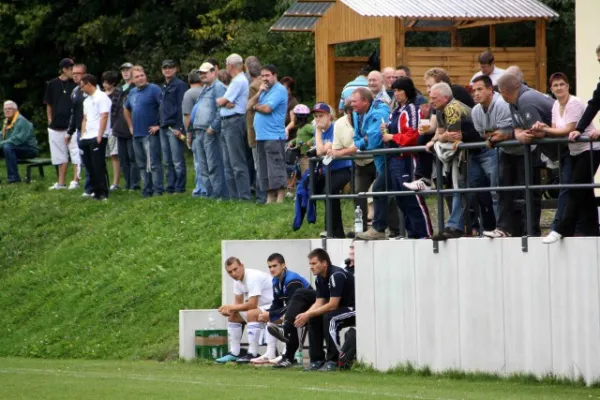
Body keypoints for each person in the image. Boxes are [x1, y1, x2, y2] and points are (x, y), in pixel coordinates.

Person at [357, 77, 433, 240]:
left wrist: (392, 136)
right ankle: (392, 231)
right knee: (395, 196)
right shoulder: (397, 111)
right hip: (393, 159)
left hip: (406, 158)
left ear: (407, 91)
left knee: (411, 197)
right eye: (395, 91)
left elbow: (413, 135)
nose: (396, 94)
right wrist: (387, 129)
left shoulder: (412, 109)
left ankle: (424, 234)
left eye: (399, 91)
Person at [483, 73, 551, 237]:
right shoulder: (515, 102)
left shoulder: (525, 100)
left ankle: (531, 232)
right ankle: (505, 229)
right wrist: (517, 134)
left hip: (553, 150)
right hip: (530, 151)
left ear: (504, 91)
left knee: (531, 192)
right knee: (505, 189)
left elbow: (538, 132)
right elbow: (518, 127)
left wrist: (517, 135)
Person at [420, 82, 489, 241]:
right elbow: (443, 134)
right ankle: (457, 226)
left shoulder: (451, 108)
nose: (430, 101)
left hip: (483, 150)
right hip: (470, 153)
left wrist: (439, 139)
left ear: (445, 98)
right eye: (430, 97)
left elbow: (453, 135)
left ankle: (474, 227)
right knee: (462, 187)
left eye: (434, 98)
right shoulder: (439, 109)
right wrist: (437, 139)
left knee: (482, 190)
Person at [538, 73, 600, 243]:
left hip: (589, 149)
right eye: (555, 85)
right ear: (551, 89)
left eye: (562, 84)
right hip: (574, 152)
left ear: (568, 86)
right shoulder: (555, 105)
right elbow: (555, 129)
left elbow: (568, 129)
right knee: (584, 191)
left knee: (575, 187)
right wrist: (543, 130)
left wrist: (544, 130)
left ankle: (561, 229)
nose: (559, 88)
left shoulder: (574, 103)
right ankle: (592, 229)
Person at [404, 67, 475, 192]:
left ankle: (425, 179)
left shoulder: (452, 97)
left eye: (430, 86)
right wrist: (433, 138)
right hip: (460, 144)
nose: (428, 90)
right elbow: (438, 128)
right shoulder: (438, 103)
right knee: (424, 138)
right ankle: (425, 179)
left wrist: (438, 138)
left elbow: (452, 133)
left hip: (472, 144)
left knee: (467, 190)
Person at [299, 248, 355, 372]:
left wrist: (308, 314)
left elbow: (333, 305)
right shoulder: (319, 278)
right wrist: (306, 314)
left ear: (324, 263)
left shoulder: (336, 275)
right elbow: (320, 302)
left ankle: (333, 360)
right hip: (339, 309)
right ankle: (317, 359)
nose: (311, 267)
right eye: (310, 264)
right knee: (313, 317)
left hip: (353, 309)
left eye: (314, 264)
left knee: (330, 318)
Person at [255, 253, 311, 367]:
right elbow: (277, 303)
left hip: (310, 308)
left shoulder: (292, 280)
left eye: (274, 266)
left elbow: (293, 305)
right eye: (269, 267)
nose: (271, 269)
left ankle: (288, 354)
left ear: (283, 265)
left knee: (289, 317)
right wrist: (268, 314)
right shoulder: (275, 281)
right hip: (296, 310)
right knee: (271, 319)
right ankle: (271, 353)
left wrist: (270, 314)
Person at [216, 257, 275, 364]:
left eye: (235, 269)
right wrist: (228, 311)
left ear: (242, 266)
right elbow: (238, 305)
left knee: (251, 313)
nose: (233, 273)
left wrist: (230, 307)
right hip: (261, 307)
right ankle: (235, 353)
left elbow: (252, 304)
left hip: (274, 305)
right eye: (230, 272)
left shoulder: (252, 277)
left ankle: (252, 353)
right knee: (233, 315)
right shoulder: (237, 280)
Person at [248, 64, 288, 204]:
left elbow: (267, 109)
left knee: (276, 166)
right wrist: (258, 93)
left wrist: (255, 107)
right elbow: (247, 106)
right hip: (261, 135)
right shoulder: (263, 91)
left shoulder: (280, 90)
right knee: (264, 168)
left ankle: (281, 197)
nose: (265, 78)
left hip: (274, 136)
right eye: (262, 76)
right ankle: (270, 197)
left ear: (275, 75)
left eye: (267, 75)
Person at [188, 62, 227, 199]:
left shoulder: (218, 87)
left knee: (214, 164)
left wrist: (213, 127)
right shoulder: (205, 87)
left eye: (205, 73)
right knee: (203, 166)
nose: (202, 75)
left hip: (209, 131)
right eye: (201, 73)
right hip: (198, 130)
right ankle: (208, 193)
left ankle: (219, 195)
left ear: (213, 72)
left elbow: (221, 109)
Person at [124, 65, 163, 197]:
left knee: (153, 163)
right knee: (141, 164)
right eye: (137, 77)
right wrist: (130, 126)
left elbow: (164, 107)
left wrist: (159, 125)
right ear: (132, 80)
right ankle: (147, 189)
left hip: (150, 133)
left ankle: (158, 190)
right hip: (137, 134)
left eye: (142, 76)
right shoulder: (132, 92)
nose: (140, 79)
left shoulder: (154, 89)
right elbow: (126, 109)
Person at [313, 103, 352, 238]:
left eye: (321, 116)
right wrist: (318, 131)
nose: (318, 119)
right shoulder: (319, 131)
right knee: (328, 194)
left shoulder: (336, 127)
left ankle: (329, 229)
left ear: (330, 116)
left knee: (328, 191)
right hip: (327, 171)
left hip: (343, 168)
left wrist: (318, 132)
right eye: (316, 116)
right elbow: (320, 151)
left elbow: (321, 150)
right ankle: (337, 232)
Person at [217, 53, 251, 200]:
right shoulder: (236, 81)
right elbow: (224, 101)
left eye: (226, 64)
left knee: (236, 161)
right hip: (227, 120)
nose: (226, 67)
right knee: (228, 162)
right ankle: (234, 195)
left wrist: (223, 101)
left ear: (231, 66)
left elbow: (221, 101)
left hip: (233, 121)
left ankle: (243, 196)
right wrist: (224, 101)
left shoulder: (238, 81)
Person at [45, 58, 77, 190]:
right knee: (59, 155)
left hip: (71, 124)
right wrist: (49, 119)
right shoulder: (52, 84)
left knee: (75, 152)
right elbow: (49, 103)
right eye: (71, 69)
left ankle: (75, 181)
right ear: (65, 69)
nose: (73, 72)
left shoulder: (75, 84)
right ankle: (61, 182)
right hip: (56, 125)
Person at [78, 74, 112, 201]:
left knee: (98, 165)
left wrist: (100, 135)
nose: (81, 89)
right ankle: (95, 191)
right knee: (89, 166)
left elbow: (104, 116)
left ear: (89, 84)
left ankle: (103, 192)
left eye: (82, 86)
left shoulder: (102, 97)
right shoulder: (86, 101)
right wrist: (82, 135)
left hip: (98, 136)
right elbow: (84, 119)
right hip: (86, 136)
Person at [158, 59, 188, 194]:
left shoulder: (180, 85)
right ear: (162, 70)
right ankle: (170, 186)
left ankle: (180, 187)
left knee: (177, 160)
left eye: (170, 67)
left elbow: (183, 107)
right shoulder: (163, 86)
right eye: (165, 68)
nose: (167, 70)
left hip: (175, 126)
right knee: (167, 160)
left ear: (175, 69)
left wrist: (181, 127)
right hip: (164, 127)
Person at [112, 63, 140, 191]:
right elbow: (114, 109)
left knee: (133, 157)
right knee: (123, 159)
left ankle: (134, 184)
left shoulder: (136, 87)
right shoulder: (118, 88)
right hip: (119, 128)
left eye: (128, 70)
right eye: (123, 70)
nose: (125, 72)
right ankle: (127, 183)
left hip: (131, 127)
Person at [245, 57, 266, 204]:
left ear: (247, 70)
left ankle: (261, 196)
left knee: (259, 164)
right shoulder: (266, 83)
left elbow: (250, 107)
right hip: (265, 130)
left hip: (255, 129)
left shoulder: (254, 86)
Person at [0, 101, 39, 183]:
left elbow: (17, 140)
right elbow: (1, 136)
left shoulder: (21, 121)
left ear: (15, 110)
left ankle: (14, 179)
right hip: (14, 147)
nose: (7, 111)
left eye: (9, 109)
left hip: (29, 149)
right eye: (5, 109)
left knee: (7, 147)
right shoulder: (6, 121)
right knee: (7, 146)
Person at [183, 69, 207, 198]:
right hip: (207, 130)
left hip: (196, 132)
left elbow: (187, 116)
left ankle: (200, 189)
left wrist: (188, 134)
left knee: (198, 162)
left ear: (189, 80)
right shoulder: (206, 91)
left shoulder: (189, 94)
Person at [67, 63, 88, 192]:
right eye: (73, 73)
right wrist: (70, 131)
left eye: (78, 73)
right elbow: (74, 113)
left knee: (92, 159)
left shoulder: (92, 89)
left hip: (91, 129)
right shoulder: (75, 91)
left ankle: (96, 184)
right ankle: (85, 182)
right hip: (79, 129)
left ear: (84, 74)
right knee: (82, 157)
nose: (75, 76)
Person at [101, 71, 122, 191]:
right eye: (103, 82)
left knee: (115, 155)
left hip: (113, 127)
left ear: (113, 83)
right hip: (103, 128)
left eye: (107, 82)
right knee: (104, 155)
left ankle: (116, 182)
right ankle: (104, 180)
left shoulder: (117, 94)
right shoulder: (101, 95)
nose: (104, 84)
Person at [286, 104, 315, 175]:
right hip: (300, 156)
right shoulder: (300, 128)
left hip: (307, 157)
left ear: (299, 117)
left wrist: (310, 142)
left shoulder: (308, 126)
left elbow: (318, 134)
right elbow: (299, 137)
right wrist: (292, 142)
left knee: (306, 176)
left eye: (294, 116)